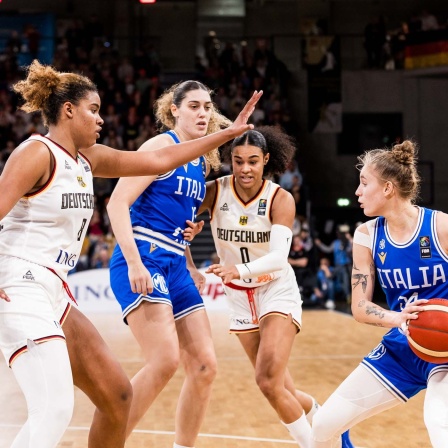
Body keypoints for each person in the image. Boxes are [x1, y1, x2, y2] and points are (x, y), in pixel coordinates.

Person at [0, 60, 262, 448]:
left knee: (117, 394)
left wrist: (227, 136)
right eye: (93, 110)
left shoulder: (87, 158)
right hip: (19, 284)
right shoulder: (37, 153)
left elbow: (158, 162)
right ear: (68, 110)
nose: (101, 119)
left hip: (56, 289)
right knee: (54, 408)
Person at [189, 126, 353, 448]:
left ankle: (317, 444)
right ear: (230, 161)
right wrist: (190, 262)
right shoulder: (214, 191)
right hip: (238, 298)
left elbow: (279, 258)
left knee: (266, 381)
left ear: (265, 160)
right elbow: (175, 226)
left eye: (252, 161)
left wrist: (236, 268)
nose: (245, 169)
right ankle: (322, 413)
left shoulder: (281, 198)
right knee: (279, 387)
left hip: (275, 289)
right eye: (237, 161)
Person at [106, 80, 233, 448]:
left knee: (205, 367)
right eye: (194, 106)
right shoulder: (161, 146)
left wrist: (191, 260)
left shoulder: (199, 161)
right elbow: (117, 204)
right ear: (174, 110)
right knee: (164, 360)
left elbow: (179, 222)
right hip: (143, 257)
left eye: (208, 107)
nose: (203, 113)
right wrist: (134, 263)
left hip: (176, 263)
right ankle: (108, 441)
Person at [311, 140, 448, 447]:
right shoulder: (367, 235)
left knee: (439, 424)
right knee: (321, 427)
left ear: (387, 189)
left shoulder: (440, 227)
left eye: (363, 183)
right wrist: (397, 318)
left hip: (445, 347)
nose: (357, 192)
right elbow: (359, 307)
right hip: (402, 346)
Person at [314, 225, 353, 303]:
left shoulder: (348, 242)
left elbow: (351, 250)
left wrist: (350, 239)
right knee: (331, 279)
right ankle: (332, 298)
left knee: (346, 283)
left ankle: (348, 298)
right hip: (337, 266)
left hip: (346, 266)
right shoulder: (336, 243)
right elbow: (328, 250)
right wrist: (320, 244)